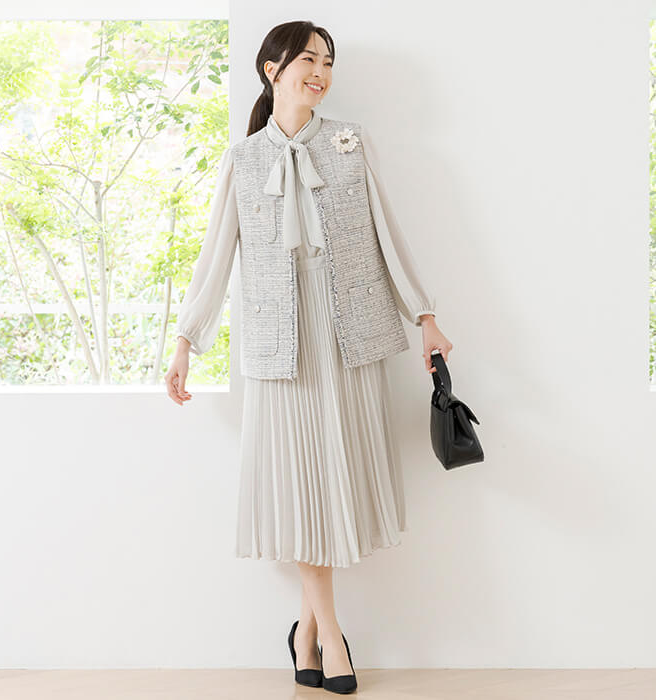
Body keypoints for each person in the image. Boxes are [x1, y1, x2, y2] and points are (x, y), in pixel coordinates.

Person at [165, 20, 453, 694]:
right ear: (272, 69)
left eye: (328, 62)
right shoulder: (243, 160)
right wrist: (185, 341)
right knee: (300, 492)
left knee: (330, 489)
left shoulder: (351, 143)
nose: (321, 73)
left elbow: (388, 235)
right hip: (279, 348)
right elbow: (215, 257)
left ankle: (306, 633)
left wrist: (426, 316)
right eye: (308, 60)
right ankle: (329, 634)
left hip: (348, 339)